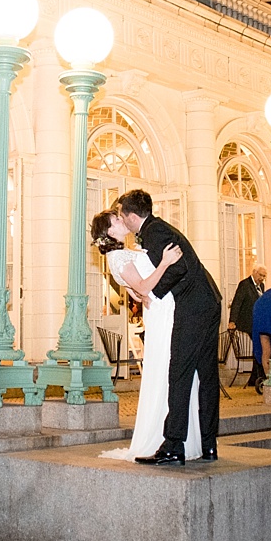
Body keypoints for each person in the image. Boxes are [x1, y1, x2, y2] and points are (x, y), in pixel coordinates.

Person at [115, 189, 223, 465]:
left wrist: (152, 294)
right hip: (208, 301)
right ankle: (209, 444)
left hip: (195, 306)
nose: (121, 221)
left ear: (131, 216)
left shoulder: (154, 232)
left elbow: (181, 267)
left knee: (179, 372)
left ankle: (174, 444)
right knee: (206, 376)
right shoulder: (158, 229)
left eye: (122, 216)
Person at [91, 210, 193, 463]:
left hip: (165, 306)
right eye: (116, 220)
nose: (121, 220)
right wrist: (166, 263)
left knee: (176, 366)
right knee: (166, 368)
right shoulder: (116, 257)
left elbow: (137, 292)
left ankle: (183, 437)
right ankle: (161, 436)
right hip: (161, 313)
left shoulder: (126, 252)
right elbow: (144, 287)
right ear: (110, 232)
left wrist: (139, 292)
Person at [229, 266, 267, 384]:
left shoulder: (262, 286)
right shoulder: (244, 284)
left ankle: (256, 376)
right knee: (259, 346)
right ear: (254, 273)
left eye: (264, 276)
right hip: (248, 322)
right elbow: (237, 303)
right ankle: (258, 376)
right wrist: (232, 321)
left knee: (260, 346)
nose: (262, 278)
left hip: (258, 322)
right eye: (260, 275)